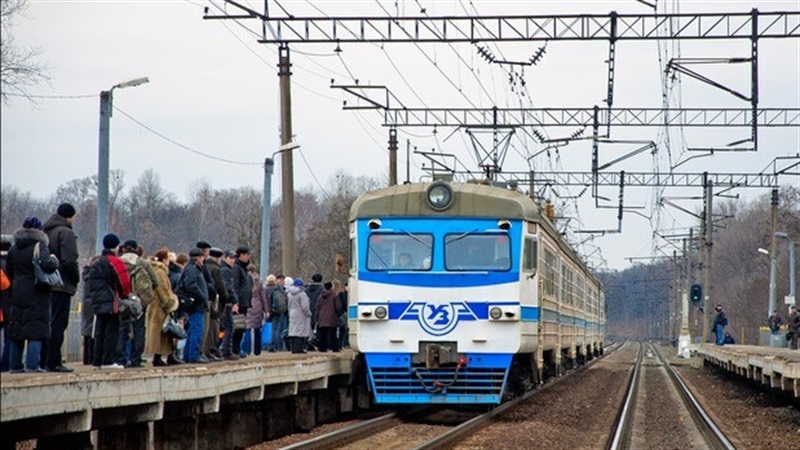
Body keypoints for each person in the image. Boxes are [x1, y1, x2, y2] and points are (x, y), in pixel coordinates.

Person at [5, 217, 60, 373]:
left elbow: (9, 271)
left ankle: (15, 365)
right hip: (37, 291)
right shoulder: (39, 245)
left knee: (17, 329)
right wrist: (54, 260)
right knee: (35, 329)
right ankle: (32, 365)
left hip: (17, 290)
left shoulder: (14, 248)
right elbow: (48, 265)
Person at [42, 203, 80, 373]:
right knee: (59, 324)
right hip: (62, 284)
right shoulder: (66, 232)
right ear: (70, 216)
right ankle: (54, 361)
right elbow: (69, 260)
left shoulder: (46, 232)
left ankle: (43, 360)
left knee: (48, 322)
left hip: (47, 284)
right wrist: (75, 279)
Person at [86, 233, 130, 369]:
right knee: (112, 331)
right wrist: (125, 296)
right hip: (112, 302)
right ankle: (108, 361)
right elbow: (124, 283)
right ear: (116, 246)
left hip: (97, 302)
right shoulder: (115, 261)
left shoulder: (96, 262)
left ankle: (97, 361)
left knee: (100, 331)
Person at [118, 241, 158, 368]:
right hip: (139, 302)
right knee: (139, 329)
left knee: (122, 330)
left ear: (123, 249)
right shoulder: (143, 263)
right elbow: (155, 281)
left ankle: (121, 359)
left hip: (122, 301)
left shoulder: (118, 262)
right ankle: (136, 359)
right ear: (136, 249)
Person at [145, 248, 181, 366]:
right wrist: (171, 302)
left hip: (156, 306)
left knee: (162, 332)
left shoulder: (156, 270)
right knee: (161, 333)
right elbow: (163, 290)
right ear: (164, 260)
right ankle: (158, 357)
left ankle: (163, 356)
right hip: (160, 308)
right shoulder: (160, 272)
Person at [178, 249, 210, 363]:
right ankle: (193, 355)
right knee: (197, 330)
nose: (203, 259)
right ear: (197, 258)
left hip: (196, 304)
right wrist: (202, 297)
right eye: (202, 257)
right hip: (196, 305)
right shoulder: (192, 270)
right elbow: (191, 285)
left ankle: (188, 355)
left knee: (192, 330)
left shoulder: (192, 269)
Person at [203, 248, 226, 362]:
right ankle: (210, 351)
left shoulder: (204, 266)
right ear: (218, 258)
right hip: (214, 301)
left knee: (206, 326)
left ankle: (205, 351)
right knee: (213, 326)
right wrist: (226, 297)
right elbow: (220, 286)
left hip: (205, 299)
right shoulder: (216, 269)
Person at [232, 246, 253, 357]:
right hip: (240, 302)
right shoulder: (236, 268)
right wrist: (235, 302)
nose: (249, 256)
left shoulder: (243, 268)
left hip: (244, 302)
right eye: (247, 254)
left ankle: (237, 348)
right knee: (237, 327)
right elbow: (235, 285)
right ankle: (235, 349)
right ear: (241, 255)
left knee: (241, 327)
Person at [219, 251, 240, 360]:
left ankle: (223, 348)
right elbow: (228, 286)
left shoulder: (224, 269)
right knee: (229, 326)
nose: (233, 260)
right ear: (226, 258)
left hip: (224, 302)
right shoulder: (226, 271)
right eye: (231, 258)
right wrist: (233, 300)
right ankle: (226, 350)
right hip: (226, 302)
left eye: (233, 258)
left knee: (225, 326)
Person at [246, 265, 268, 356]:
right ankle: (257, 350)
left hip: (247, 304)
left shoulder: (245, 279)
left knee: (247, 328)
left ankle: (246, 349)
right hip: (257, 305)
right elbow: (263, 296)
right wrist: (266, 309)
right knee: (257, 329)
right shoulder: (259, 281)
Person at [315, 281, 343, 352]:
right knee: (333, 334)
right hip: (332, 317)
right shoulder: (334, 296)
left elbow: (317, 307)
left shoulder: (320, 296)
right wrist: (340, 314)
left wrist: (317, 317)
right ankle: (334, 348)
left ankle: (322, 348)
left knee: (322, 334)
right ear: (331, 287)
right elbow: (338, 307)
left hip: (322, 317)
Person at [287, 278, 312, 354]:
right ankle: (299, 349)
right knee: (300, 331)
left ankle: (294, 349)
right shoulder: (302, 294)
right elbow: (305, 307)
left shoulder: (289, 294)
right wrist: (309, 313)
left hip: (292, 312)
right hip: (300, 314)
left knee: (293, 331)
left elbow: (289, 305)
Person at [265, 275, 287, 352]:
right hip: (277, 311)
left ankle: (269, 345)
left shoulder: (265, 289)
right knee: (276, 329)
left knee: (268, 328)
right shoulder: (278, 288)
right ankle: (278, 345)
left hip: (268, 311)